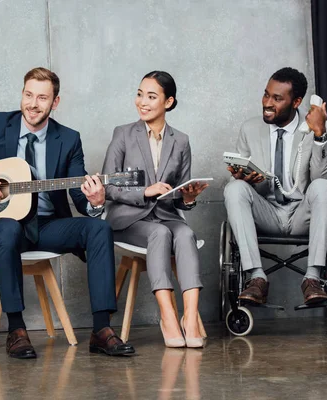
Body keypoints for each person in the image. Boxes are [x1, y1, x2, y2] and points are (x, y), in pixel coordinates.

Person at [0, 67, 135, 359]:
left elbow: (79, 194)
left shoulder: (69, 139)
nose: (33, 104)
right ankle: (16, 330)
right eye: (28, 95)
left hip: (48, 226)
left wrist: (96, 201)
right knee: (9, 227)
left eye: (42, 98)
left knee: (98, 228)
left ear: (55, 103)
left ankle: (101, 329)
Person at [102, 71, 208, 348]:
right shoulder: (123, 134)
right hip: (128, 220)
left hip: (165, 215)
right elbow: (107, 186)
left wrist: (188, 197)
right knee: (160, 234)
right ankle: (168, 315)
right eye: (140, 94)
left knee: (185, 234)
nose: (142, 102)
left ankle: (190, 317)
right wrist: (144, 191)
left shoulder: (181, 140)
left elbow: (179, 195)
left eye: (151, 96)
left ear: (169, 102)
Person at [224, 67, 327, 305]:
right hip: (267, 212)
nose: (267, 103)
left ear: (296, 102)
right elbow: (242, 183)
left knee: (324, 187)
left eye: (277, 98)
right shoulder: (250, 129)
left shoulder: (319, 128)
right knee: (233, 188)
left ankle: (313, 278)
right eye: (266, 95)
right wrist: (244, 179)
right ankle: (256, 278)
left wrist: (318, 135)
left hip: (301, 215)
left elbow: (321, 177)